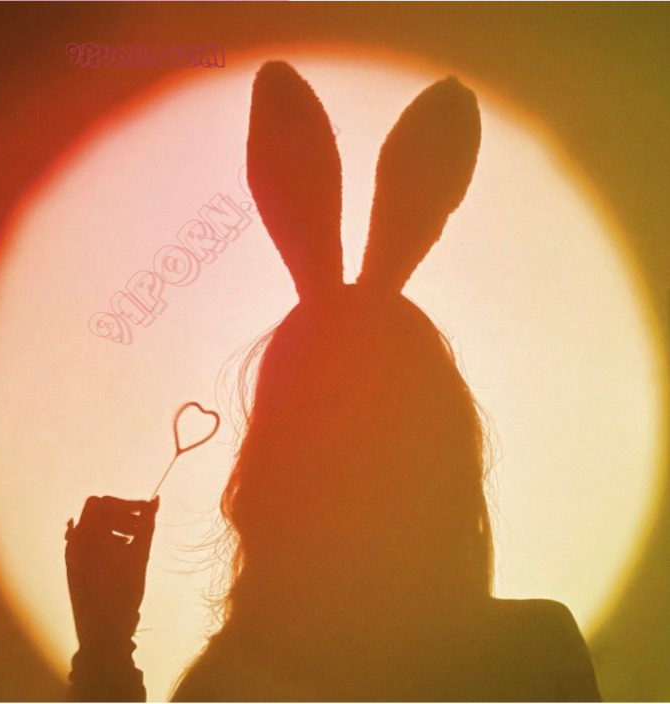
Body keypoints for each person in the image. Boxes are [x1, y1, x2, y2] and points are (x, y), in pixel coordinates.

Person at [65, 61, 602, 702]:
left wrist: (105, 649)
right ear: (444, 452)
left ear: (267, 472)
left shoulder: (230, 688)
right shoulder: (534, 652)